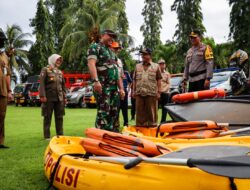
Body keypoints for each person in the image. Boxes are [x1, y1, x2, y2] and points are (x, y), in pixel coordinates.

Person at [87, 29, 125, 132]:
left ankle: (113, 135)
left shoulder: (112, 52)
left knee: (114, 112)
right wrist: (96, 81)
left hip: (114, 88)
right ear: (103, 35)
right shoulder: (95, 47)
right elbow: (91, 64)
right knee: (104, 112)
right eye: (110, 36)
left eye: (114, 37)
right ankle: (100, 135)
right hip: (103, 86)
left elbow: (117, 72)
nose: (112, 39)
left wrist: (121, 88)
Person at [132, 48, 162, 127]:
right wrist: (133, 91)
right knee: (139, 113)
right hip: (139, 93)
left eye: (145, 54)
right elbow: (134, 79)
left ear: (150, 55)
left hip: (151, 93)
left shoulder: (156, 66)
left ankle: (152, 129)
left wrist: (159, 92)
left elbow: (159, 79)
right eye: (142, 54)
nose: (143, 56)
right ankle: (140, 129)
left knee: (152, 114)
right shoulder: (137, 66)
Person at [39, 54, 66, 140]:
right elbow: (42, 84)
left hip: (59, 98)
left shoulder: (60, 72)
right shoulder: (45, 70)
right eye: (57, 60)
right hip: (49, 98)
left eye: (60, 60)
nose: (59, 62)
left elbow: (63, 86)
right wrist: (42, 95)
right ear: (53, 60)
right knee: (47, 117)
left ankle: (60, 135)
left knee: (60, 117)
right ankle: (47, 136)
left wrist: (64, 97)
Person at [0, 29, 12, 148]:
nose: (2, 42)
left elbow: (7, 74)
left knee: (2, 116)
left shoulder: (4, 56)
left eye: (3, 40)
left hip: (3, 91)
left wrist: (9, 91)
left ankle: (0, 142)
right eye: (1, 40)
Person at [158, 59, 171, 123]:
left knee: (164, 108)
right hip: (157, 93)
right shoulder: (156, 73)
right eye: (160, 64)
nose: (162, 65)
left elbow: (168, 84)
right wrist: (159, 91)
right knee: (155, 108)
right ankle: (154, 121)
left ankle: (163, 122)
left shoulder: (167, 74)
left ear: (165, 65)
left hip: (165, 93)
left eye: (163, 64)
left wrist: (163, 90)